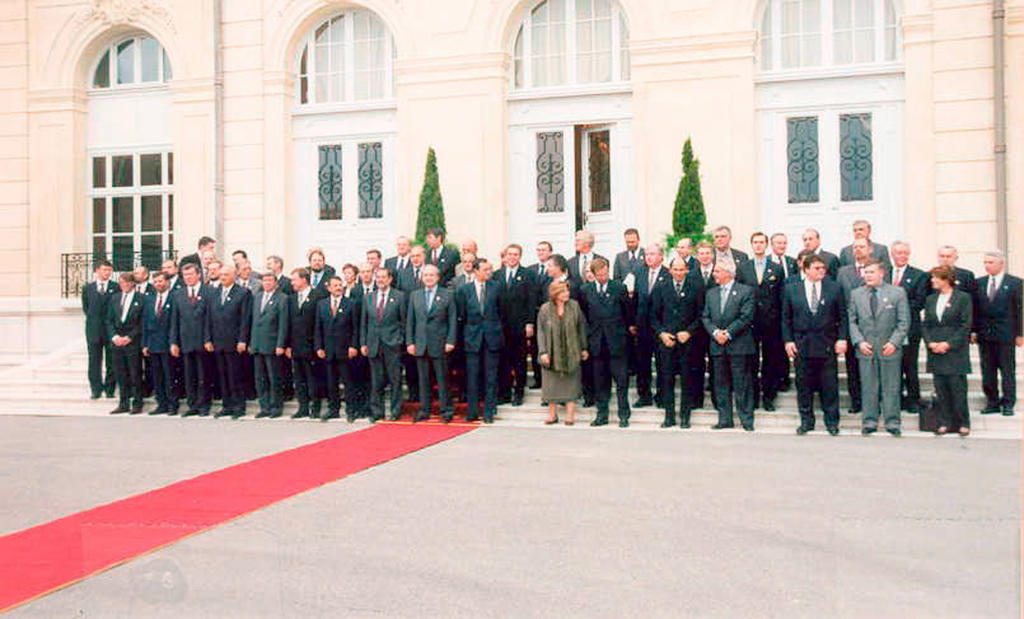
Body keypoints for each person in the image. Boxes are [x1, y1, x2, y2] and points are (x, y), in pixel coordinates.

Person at [782, 255, 848, 435]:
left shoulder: (834, 288)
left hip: (827, 344)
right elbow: (786, 318)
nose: (822, 271)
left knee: (829, 386)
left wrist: (842, 339)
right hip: (802, 344)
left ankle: (832, 423)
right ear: (806, 269)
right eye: (817, 268)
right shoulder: (791, 289)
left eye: (823, 268)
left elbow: (842, 317)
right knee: (803, 386)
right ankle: (806, 421)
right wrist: (788, 341)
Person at [847, 260, 910, 436]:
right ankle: (869, 421)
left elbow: (903, 322)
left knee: (891, 386)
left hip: (889, 347)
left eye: (871, 272)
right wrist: (859, 341)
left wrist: (894, 342)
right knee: (868, 386)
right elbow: (851, 321)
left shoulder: (897, 293)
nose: (868, 275)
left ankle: (892, 422)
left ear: (882, 273)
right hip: (866, 348)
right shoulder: (856, 294)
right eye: (866, 272)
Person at [702, 263, 756, 430]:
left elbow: (746, 317)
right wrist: (716, 333)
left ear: (728, 273)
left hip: (739, 345)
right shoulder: (711, 293)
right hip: (718, 345)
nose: (714, 274)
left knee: (742, 384)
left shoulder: (745, 291)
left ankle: (746, 419)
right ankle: (724, 419)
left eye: (717, 271)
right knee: (720, 384)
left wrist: (728, 333)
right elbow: (705, 317)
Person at [736, 232, 785, 411]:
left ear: (766, 245)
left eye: (761, 242)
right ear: (751, 244)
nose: (758, 245)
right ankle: (754, 396)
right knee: (751, 361)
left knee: (770, 360)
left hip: (770, 323)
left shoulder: (776, 268)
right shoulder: (743, 268)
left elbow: (781, 297)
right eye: (755, 242)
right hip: (749, 323)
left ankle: (769, 397)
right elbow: (739, 295)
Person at [581, 257, 633, 427]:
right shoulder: (586, 290)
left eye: (605, 273)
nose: (603, 277)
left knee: (621, 382)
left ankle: (623, 415)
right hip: (596, 343)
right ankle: (601, 415)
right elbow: (585, 317)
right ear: (593, 274)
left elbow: (627, 314)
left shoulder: (619, 288)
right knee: (600, 382)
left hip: (616, 342)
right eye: (600, 275)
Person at [651, 257, 702, 429]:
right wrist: (662, 334)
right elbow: (653, 316)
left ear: (687, 270)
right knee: (666, 380)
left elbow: (701, 315)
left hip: (687, 343)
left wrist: (689, 332)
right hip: (667, 343)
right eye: (676, 270)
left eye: (682, 270)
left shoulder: (695, 288)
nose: (679, 273)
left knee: (687, 380)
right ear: (670, 270)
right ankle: (669, 416)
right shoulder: (660, 288)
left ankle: (685, 417)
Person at [923, 266, 973, 436]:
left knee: (957, 388)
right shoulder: (931, 299)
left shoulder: (963, 298)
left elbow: (965, 325)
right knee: (941, 388)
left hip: (954, 351)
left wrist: (948, 344)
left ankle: (963, 423)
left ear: (946, 279)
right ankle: (944, 422)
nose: (932, 281)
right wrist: (930, 342)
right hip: (935, 350)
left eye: (935, 278)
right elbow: (926, 324)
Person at [406, 264, 458, 422]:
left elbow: (452, 320)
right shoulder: (415, 295)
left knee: (443, 379)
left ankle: (446, 410)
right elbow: (410, 321)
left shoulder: (447, 295)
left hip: (440, 343)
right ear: (422, 278)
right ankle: (425, 410)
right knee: (423, 380)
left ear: (437, 277)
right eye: (426, 275)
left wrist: (450, 340)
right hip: (420, 344)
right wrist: (410, 342)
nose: (428, 278)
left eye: (432, 275)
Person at [974, 250, 1022, 416]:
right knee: (988, 370)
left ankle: (1008, 403)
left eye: (991, 262)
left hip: (1005, 333)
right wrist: (974, 330)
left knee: (1007, 369)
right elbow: (975, 309)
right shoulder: (979, 283)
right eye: (985, 262)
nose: (987, 265)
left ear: (1001, 264)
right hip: (985, 333)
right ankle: (992, 401)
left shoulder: (1015, 283)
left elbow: (1020, 309)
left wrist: (1020, 333)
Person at [457, 258, 505, 423]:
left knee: (491, 377)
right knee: (472, 376)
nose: (489, 272)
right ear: (476, 271)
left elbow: (502, 312)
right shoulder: (465, 290)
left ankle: (489, 412)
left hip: (492, 337)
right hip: (472, 338)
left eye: (490, 269)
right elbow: (461, 316)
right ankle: (472, 412)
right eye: (485, 269)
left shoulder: (497, 287)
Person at [537, 281, 588, 426]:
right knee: (551, 385)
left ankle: (570, 416)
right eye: (563, 291)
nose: (567, 293)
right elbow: (540, 332)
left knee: (571, 383)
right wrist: (543, 352)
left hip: (571, 351)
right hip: (551, 353)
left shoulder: (574, 306)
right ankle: (552, 416)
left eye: (567, 290)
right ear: (555, 294)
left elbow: (581, 328)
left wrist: (584, 348)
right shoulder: (545, 309)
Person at [205, 264, 252, 419]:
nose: (222, 277)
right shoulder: (214, 292)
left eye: (226, 275)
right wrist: (208, 339)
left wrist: (242, 340)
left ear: (234, 275)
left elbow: (245, 319)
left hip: (234, 342)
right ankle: (227, 405)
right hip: (218, 341)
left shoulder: (243, 293)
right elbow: (208, 318)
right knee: (222, 375)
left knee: (235, 375)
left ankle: (239, 406)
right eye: (221, 275)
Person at [360, 267, 407, 422]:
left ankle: (395, 411)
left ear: (390, 279)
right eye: (378, 277)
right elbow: (364, 323)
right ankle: (377, 412)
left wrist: (400, 339)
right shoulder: (368, 297)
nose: (380, 280)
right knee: (376, 381)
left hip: (393, 344)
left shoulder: (399, 296)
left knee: (395, 380)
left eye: (383, 277)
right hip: (373, 344)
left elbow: (404, 321)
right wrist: (363, 343)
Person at [889, 241, 930, 413]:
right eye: (899, 252)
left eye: (905, 252)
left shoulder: (919, 275)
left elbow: (919, 302)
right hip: (887, 329)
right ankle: (896, 399)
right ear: (892, 254)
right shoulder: (884, 274)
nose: (902, 256)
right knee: (893, 366)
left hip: (909, 328)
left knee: (909, 365)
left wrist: (893, 307)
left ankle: (913, 399)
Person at [494, 244, 536, 406]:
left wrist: (529, 323)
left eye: (516, 254)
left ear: (520, 256)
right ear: (505, 256)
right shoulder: (497, 275)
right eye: (510, 254)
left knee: (519, 360)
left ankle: (519, 393)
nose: (512, 257)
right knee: (503, 361)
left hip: (519, 325)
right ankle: (504, 393)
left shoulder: (527, 275)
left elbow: (531, 301)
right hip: (501, 326)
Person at [631, 243, 670, 408]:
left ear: (661, 256)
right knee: (642, 362)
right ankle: (644, 395)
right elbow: (635, 299)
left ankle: (662, 395)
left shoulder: (668, 273)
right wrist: (633, 322)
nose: (649, 257)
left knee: (662, 363)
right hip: (642, 326)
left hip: (661, 327)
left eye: (653, 254)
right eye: (647, 254)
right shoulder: (639, 273)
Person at [836, 237, 873, 414]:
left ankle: (872, 402)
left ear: (870, 249)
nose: (858, 250)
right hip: (851, 325)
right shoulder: (843, 271)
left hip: (872, 326)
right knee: (852, 366)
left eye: (862, 247)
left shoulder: (877, 269)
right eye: (855, 247)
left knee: (872, 367)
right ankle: (855, 401)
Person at [315, 276, 359, 422]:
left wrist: (353, 346)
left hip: (345, 350)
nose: (338, 287)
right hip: (328, 350)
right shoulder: (321, 304)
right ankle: (333, 409)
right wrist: (319, 347)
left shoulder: (351, 304)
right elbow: (318, 328)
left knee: (348, 382)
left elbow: (355, 328)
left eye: (340, 285)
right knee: (331, 382)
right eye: (335, 285)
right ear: (329, 288)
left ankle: (351, 410)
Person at [170, 263, 212, 416]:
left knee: (204, 375)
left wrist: (208, 339)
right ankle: (192, 405)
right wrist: (174, 342)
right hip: (185, 341)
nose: (188, 278)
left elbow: (209, 318)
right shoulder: (178, 294)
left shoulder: (208, 291)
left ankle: (204, 405)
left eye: (190, 274)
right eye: (185, 275)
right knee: (189, 376)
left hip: (203, 341)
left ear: (198, 274)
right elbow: (174, 319)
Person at [250, 272, 288, 418]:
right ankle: (264, 407)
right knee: (260, 378)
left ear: (275, 283)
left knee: (274, 378)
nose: (266, 283)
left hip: (272, 344)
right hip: (258, 343)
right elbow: (254, 321)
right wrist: (251, 342)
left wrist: (280, 344)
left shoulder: (282, 298)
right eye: (264, 280)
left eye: (269, 280)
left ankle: (276, 407)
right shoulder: (258, 297)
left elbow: (283, 324)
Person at [107, 272, 145, 414]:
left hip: (132, 341)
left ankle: (137, 403)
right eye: (122, 283)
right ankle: (123, 403)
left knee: (135, 373)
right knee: (120, 373)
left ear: (133, 284)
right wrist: (114, 336)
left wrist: (130, 337)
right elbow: (109, 320)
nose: (124, 285)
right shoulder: (115, 298)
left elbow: (142, 322)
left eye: (127, 283)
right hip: (117, 342)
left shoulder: (141, 299)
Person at [287, 268, 322, 420]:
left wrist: (318, 345)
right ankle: (303, 407)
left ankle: (315, 406)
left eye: (294, 279)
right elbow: (289, 323)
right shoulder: (292, 298)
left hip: (311, 345)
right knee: (299, 378)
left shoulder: (317, 296)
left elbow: (319, 323)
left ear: (304, 279)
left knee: (312, 377)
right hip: (296, 345)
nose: (292, 282)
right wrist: (288, 344)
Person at [142, 272, 178, 415]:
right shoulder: (149, 299)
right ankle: (161, 404)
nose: (158, 284)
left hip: (168, 344)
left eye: (161, 281)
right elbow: (145, 323)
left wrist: (174, 342)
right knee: (157, 376)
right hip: (153, 344)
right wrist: (145, 344)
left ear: (167, 282)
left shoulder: (174, 297)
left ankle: (172, 405)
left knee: (170, 376)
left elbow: (175, 323)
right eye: (156, 282)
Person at [83, 259, 117, 399]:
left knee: (111, 361)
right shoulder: (88, 288)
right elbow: (87, 308)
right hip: (94, 330)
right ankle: (95, 389)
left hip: (110, 330)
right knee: (94, 361)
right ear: (97, 271)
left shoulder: (115, 287)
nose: (107, 273)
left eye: (109, 270)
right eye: (104, 270)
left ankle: (110, 389)